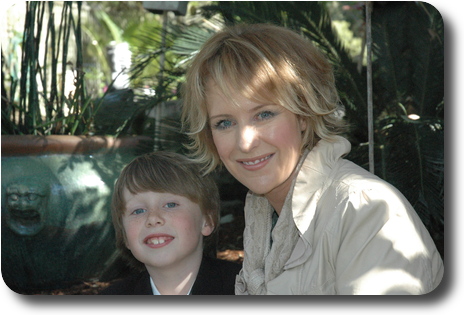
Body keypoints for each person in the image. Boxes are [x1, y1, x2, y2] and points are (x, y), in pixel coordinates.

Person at [181, 23, 444, 295]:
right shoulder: (264, 216)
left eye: (264, 114)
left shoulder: (365, 211)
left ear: (304, 115)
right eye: (224, 123)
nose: (245, 143)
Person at [101, 151, 241, 295]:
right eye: (138, 211)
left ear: (207, 220)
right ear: (125, 235)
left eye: (170, 205)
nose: (153, 218)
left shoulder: (246, 290)